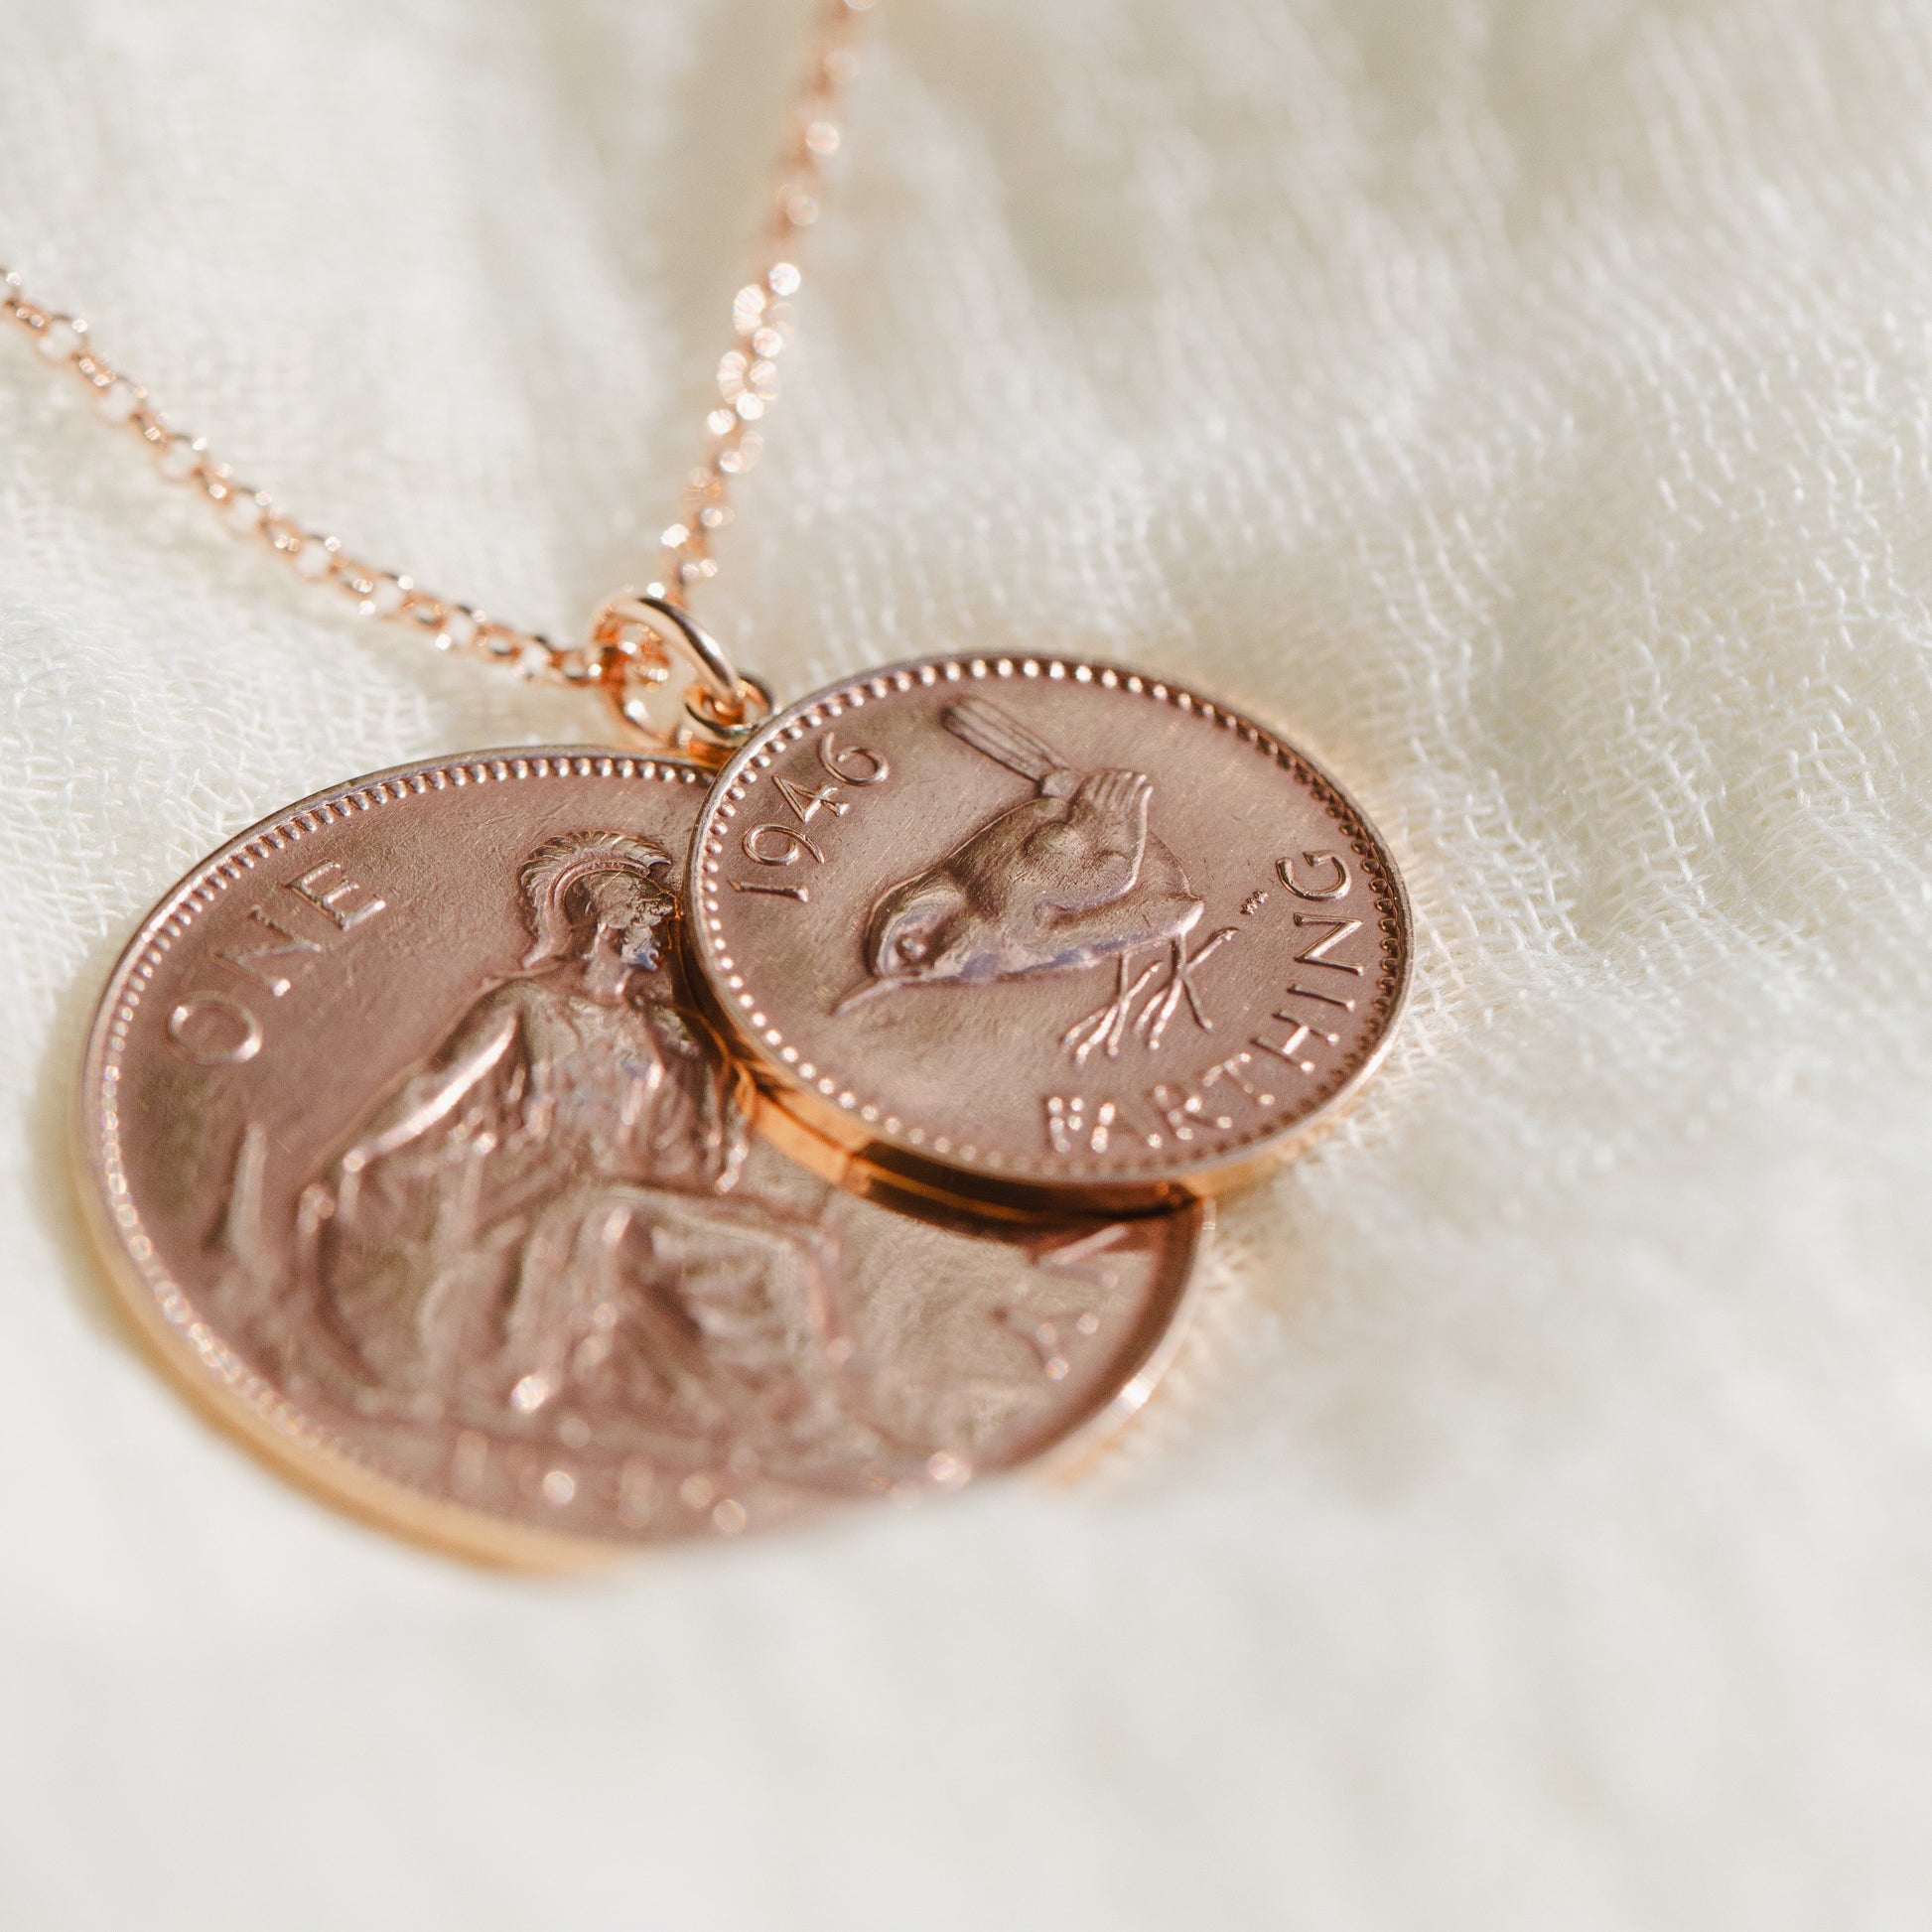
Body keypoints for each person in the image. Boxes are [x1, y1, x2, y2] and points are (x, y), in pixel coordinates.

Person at [296, 829, 844, 1459]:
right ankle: (795, 1418)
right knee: (771, 1249)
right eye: (650, 925)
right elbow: (433, 1088)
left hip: (624, 1195)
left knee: (799, 1243)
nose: (663, 941)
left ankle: (797, 1415)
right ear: (609, 926)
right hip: (540, 1199)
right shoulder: (525, 1005)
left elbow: (695, 1160)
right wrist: (360, 1148)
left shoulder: (651, 1033)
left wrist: (708, 1072)